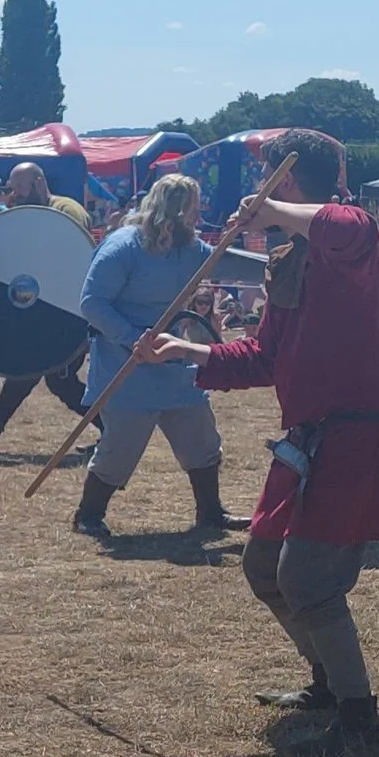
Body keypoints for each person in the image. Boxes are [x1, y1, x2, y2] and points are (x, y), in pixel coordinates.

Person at [134, 128, 379, 755]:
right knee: (264, 565)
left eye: (267, 177)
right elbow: (265, 356)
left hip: (353, 432)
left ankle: (360, 718)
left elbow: (346, 225)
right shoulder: (289, 258)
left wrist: (270, 211)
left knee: (309, 579)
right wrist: (186, 351)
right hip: (308, 437)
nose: (258, 187)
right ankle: (327, 682)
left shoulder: (348, 231)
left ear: (285, 179)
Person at [74, 174, 248, 537]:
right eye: (193, 209)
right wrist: (132, 338)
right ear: (175, 210)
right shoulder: (123, 246)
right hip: (126, 364)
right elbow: (92, 302)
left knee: (200, 437)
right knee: (120, 446)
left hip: (173, 362)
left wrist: (251, 240)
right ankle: (88, 515)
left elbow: (225, 263)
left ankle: (210, 513)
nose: (198, 216)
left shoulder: (191, 249)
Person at [0, 161, 100, 448]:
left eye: (19, 187)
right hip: (47, 306)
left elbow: (74, 259)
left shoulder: (67, 211)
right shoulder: (31, 212)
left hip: (69, 311)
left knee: (57, 379)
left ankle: (114, 432)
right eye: (12, 188)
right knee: (34, 364)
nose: (14, 194)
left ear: (39, 183)